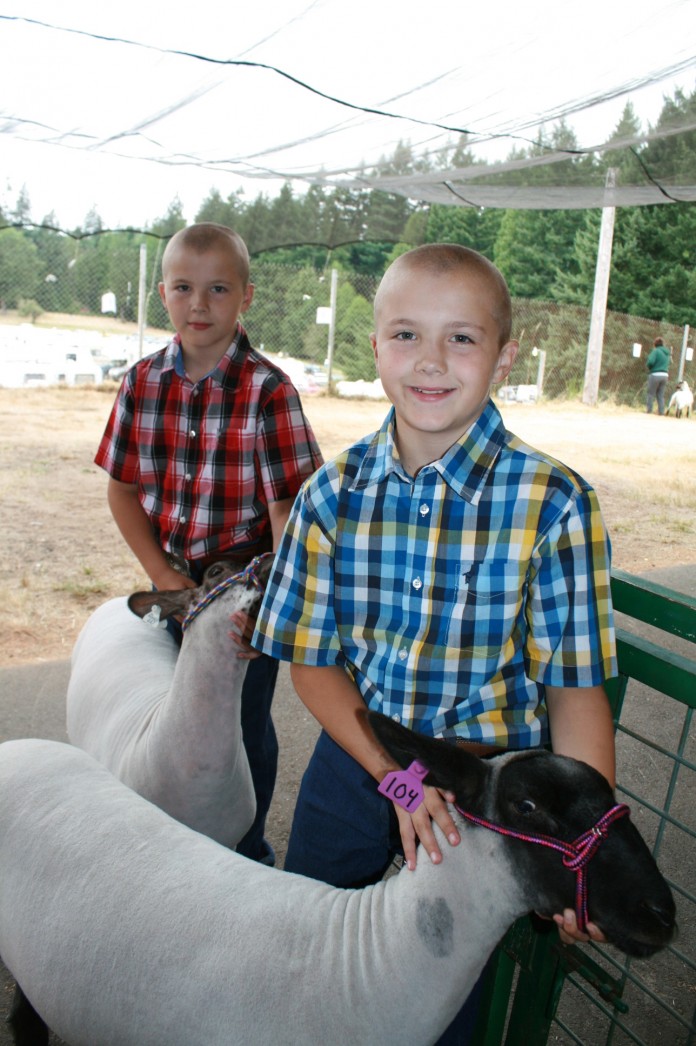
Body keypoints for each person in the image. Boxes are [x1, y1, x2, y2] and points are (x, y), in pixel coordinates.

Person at [252, 244, 617, 1042]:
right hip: (361, 753)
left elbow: (574, 688)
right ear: (375, 344)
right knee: (310, 943)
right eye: (406, 335)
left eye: (461, 338)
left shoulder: (554, 502)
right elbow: (310, 663)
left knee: (443, 990)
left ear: (504, 355)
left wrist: (582, 839)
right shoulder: (329, 495)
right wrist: (399, 781)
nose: (430, 361)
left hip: (487, 789)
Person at [95, 222, 323, 865]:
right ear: (162, 294)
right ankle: (167, 843)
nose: (200, 304)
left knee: (240, 722)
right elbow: (121, 492)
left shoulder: (268, 391)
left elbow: (289, 511)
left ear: (246, 296)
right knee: (178, 714)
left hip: (250, 584)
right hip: (177, 581)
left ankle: (243, 849)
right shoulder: (141, 383)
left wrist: (273, 607)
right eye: (184, 288)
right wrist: (164, 578)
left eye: (218, 289)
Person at [646, 336, 671, 414]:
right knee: (660, 394)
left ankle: (649, 410)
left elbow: (650, 362)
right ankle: (661, 412)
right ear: (663, 344)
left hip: (655, 374)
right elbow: (669, 363)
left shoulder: (656, 351)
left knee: (651, 393)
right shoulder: (667, 353)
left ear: (655, 344)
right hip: (665, 375)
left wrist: (650, 367)